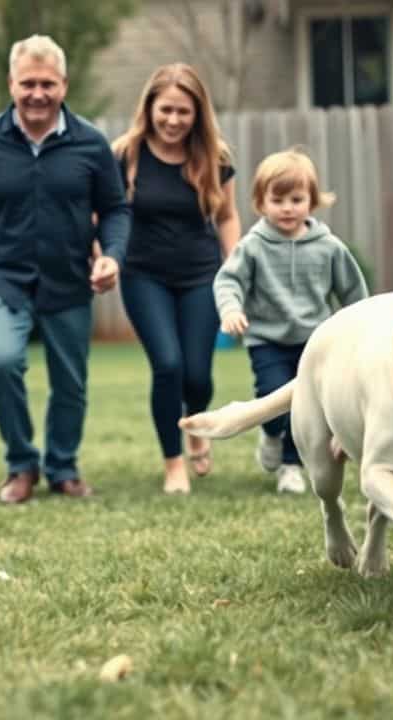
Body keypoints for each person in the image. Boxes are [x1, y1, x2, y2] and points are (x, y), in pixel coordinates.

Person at [0, 34, 131, 505]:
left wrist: (113, 255)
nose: (37, 94)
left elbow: (116, 209)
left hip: (69, 280)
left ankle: (62, 467)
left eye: (47, 83)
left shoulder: (90, 144)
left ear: (64, 85)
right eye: (28, 83)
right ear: (11, 83)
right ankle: (21, 464)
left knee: (71, 381)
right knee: (2, 362)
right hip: (3, 278)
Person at [110, 63, 241, 495]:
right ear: (149, 108)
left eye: (183, 112)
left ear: (197, 113)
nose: (173, 120)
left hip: (201, 274)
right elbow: (106, 214)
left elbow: (226, 216)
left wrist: (235, 267)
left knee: (198, 376)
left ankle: (196, 428)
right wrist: (103, 255)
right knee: (168, 366)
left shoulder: (215, 156)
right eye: (165, 110)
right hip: (143, 275)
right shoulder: (126, 153)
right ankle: (173, 464)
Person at [213, 149, 369, 493]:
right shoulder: (253, 246)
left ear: (311, 201)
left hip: (315, 343)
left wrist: (361, 333)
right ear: (261, 202)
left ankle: (290, 465)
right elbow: (228, 280)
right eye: (277, 199)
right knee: (272, 397)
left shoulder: (328, 247)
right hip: (267, 340)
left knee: (306, 410)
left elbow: (353, 292)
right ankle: (269, 432)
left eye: (296, 199)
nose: (287, 207)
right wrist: (231, 310)